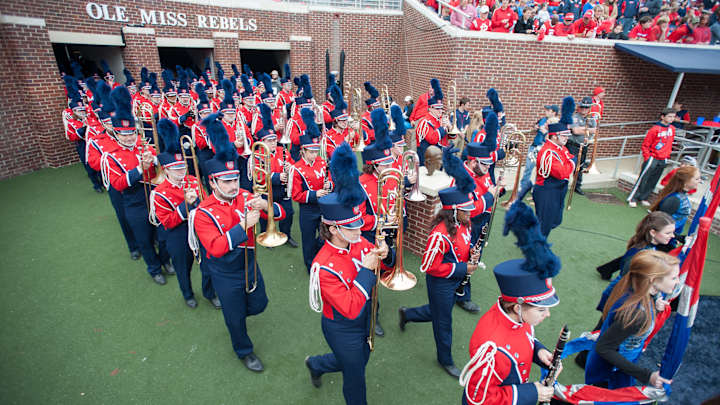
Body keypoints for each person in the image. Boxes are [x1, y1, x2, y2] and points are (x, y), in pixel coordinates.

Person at [190, 112, 285, 373]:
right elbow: (217, 247)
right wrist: (243, 226)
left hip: (249, 263)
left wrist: (266, 204)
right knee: (234, 319)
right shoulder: (203, 212)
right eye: (227, 181)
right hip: (225, 271)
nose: (234, 186)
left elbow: (280, 214)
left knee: (259, 304)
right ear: (213, 181)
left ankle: (239, 314)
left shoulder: (245, 195)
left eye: (235, 179)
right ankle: (244, 350)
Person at [305, 142, 393, 405]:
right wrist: (367, 269)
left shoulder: (358, 242)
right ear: (333, 229)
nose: (359, 231)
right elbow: (350, 307)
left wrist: (385, 256)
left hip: (364, 320)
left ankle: (317, 364)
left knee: (358, 360)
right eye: (352, 227)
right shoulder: (322, 266)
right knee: (355, 379)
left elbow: (382, 269)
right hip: (342, 327)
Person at [459, 201, 561, 405]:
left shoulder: (516, 315)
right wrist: (532, 393)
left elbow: (520, 339)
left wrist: (538, 351)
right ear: (517, 307)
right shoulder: (492, 348)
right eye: (541, 309)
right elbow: (477, 398)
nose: (547, 315)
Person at [400, 146, 481, 379]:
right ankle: (445, 359)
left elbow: (463, 247)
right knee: (443, 320)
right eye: (466, 209)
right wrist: (463, 267)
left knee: (437, 313)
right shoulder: (440, 234)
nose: (470, 212)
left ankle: (407, 314)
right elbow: (429, 266)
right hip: (440, 283)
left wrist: (471, 254)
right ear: (454, 211)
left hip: (453, 278)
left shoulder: (464, 224)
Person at [101, 86, 172, 285]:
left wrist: (156, 161)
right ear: (116, 133)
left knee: (163, 235)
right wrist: (140, 169)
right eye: (124, 134)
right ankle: (154, 268)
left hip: (154, 196)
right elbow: (118, 183)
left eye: (131, 132)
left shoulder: (145, 145)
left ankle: (165, 261)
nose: (129, 137)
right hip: (133, 201)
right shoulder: (111, 156)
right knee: (144, 240)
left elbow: (161, 168)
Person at [585, 250, 679, 389]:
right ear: (652, 280)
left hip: (619, 364)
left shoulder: (637, 290)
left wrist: (655, 305)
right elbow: (604, 348)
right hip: (610, 373)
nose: (677, 282)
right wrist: (647, 375)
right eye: (673, 278)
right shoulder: (637, 314)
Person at [150, 119, 210, 309]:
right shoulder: (159, 193)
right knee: (183, 268)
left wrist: (199, 202)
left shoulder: (192, 180)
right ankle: (187, 294)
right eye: (176, 169)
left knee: (208, 265)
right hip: (178, 234)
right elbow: (167, 222)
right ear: (166, 169)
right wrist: (186, 205)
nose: (181, 172)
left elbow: (206, 203)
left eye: (182, 167)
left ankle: (210, 292)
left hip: (199, 228)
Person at [291, 108, 332, 273]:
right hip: (308, 210)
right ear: (303, 151)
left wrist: (330, 184)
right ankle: (310, 265)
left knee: (325, 237)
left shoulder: (322, 162)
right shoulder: (296, 168)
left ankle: (320, 259)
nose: (315, 155)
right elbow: (296, 195)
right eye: (311, 152)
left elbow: (329, 177)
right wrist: (315, 194)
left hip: (323, 206)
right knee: (307, 240)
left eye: (316, 151)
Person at [254, 103, 297, 248]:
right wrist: (278, 177)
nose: (273, 143)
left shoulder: (282, 150)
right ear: (262, 142)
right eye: (269, 140)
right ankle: (265, 234)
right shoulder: (257, 154)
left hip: (283, 190)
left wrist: (290, 168)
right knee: (266, 215)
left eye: (273, 139)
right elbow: (258, 177)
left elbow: (293, 166)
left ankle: (286, 234)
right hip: (267, 191)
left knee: (289, 213)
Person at [533, 97, 576, 237]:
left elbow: (568, 158)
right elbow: (563, 172)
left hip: (557, 190)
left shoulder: (560, 148)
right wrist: (572, 163)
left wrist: (570, 162)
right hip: (547, 192)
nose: (567, 138)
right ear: (554, 136)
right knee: (544, 226)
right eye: (563, 136)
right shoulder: (548, 152)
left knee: (554, 221)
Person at [626, 108, 676, 208]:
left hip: (663, 158)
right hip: (653, 157)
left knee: (654, 180)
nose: (672, 119)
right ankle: (633, 197)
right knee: (644, 178)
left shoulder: (672, 129)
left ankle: (644, 197)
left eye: (673, 117)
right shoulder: (655, 129)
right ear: (663, 117)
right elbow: (645, 145)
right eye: (669, 116)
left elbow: (670, 143)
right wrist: (647, 157)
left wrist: (667, 154)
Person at [518, 104, 558, 202]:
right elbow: (534, 128)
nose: (546, 111)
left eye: (548, 110)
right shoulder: (542, 119)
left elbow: (554, 138)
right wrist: (535, 127)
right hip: (534, 146)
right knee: (528, 167)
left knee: (540, 170)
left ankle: (535, 189)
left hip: (544, 148)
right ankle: (523, 187)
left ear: (554, 112)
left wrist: (545, 132)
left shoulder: (556, 123)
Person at [650, 165, 701, 236]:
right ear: (686, 181)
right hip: (663, 240)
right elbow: (659, 226)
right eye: (697, 179)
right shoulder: (674, 199)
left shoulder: (681, 196)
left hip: (670, 238)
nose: (699, 181)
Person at [568, 96, 597, 196]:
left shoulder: (592, 118)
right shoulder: (574, 117)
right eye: (582, 107)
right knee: (569, 165)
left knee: (579, 167)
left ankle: (577, 186)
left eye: (586, 107)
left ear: (589, 108)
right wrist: (588, 129)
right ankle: (561, 185)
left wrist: (583, 130)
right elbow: (575, 131)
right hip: (572, 145)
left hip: (584, 145)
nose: (584, 109)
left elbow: (595, 131)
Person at [416, 79, 449, 166]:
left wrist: (449, 127)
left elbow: (449, 138)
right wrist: (443, 128)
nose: (440, 111)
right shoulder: (425, 122)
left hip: (439, 155)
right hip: (427, 157)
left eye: (441, 108)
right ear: (430, 108)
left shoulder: (441, 119)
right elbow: (433, 139)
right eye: (437, 108)